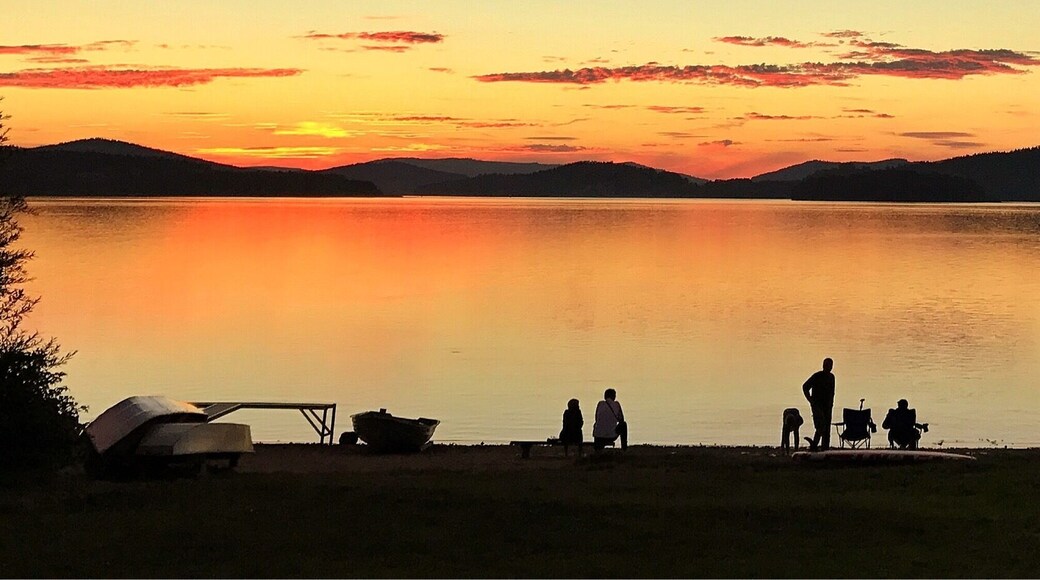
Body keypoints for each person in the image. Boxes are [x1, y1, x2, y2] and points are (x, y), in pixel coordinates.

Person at [802, 357, 835, 451]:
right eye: (826, 365)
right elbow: (805, 387)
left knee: (827, 429)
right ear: (823, 366)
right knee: (821, 426)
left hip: (828, 407)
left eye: (830, 365)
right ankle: (814, 446)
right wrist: (811, 401)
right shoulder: (817, 376)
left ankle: (825, 449)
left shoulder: (832, 377)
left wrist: (831, 404)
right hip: (817, 406)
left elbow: (832, 392)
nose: (828, 367)